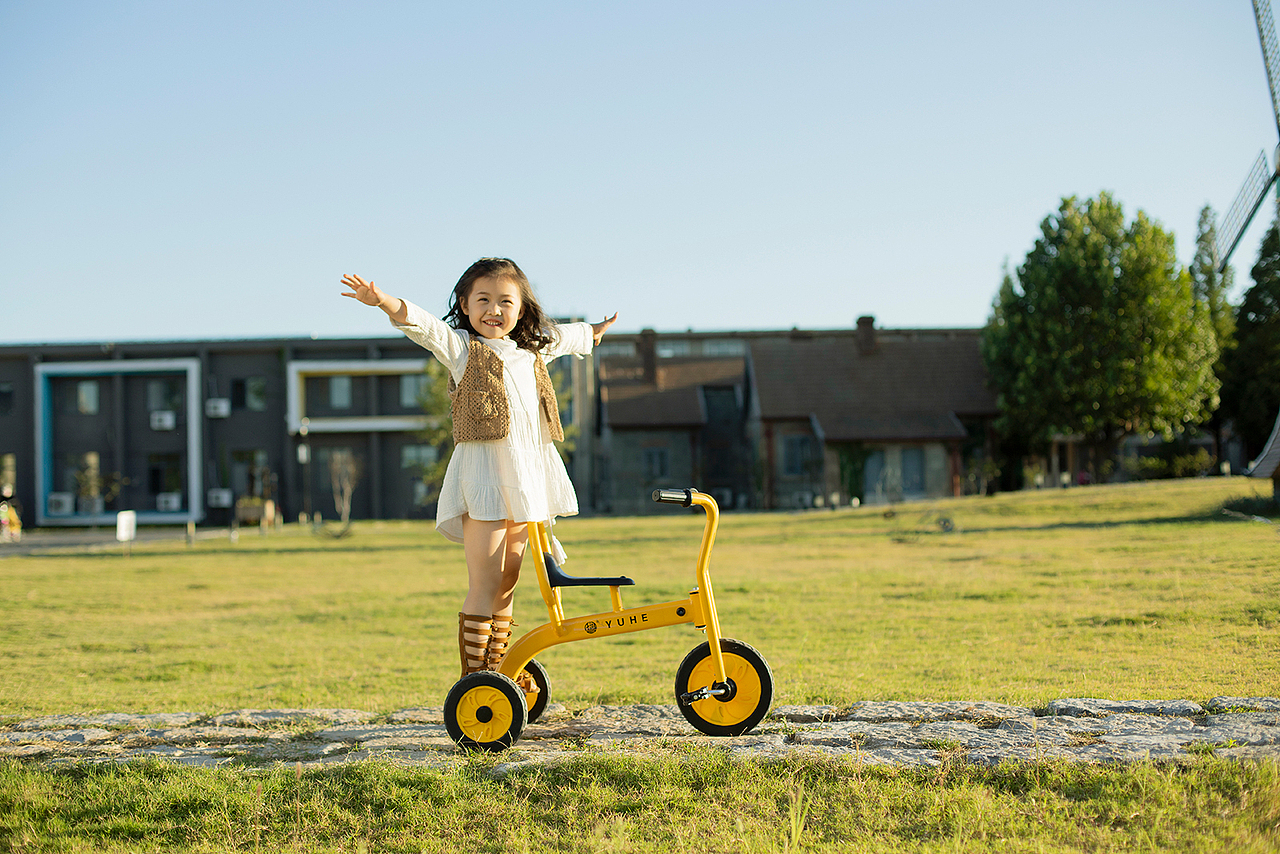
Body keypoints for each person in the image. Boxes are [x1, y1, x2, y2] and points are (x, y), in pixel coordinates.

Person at [341, 259, 617, 684]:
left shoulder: (532, 352)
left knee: (508, 581)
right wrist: (383, 301)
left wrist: (595, 330)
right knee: (486, 580)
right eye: (483, 300)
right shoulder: (464, 351)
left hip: (526, 480)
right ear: (466, 308)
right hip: (484, 478)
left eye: (506, 301)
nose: (494, 310)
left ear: (522, 309)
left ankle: (499, 672)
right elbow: (426, 327)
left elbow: (566, 337)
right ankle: (476, 681)